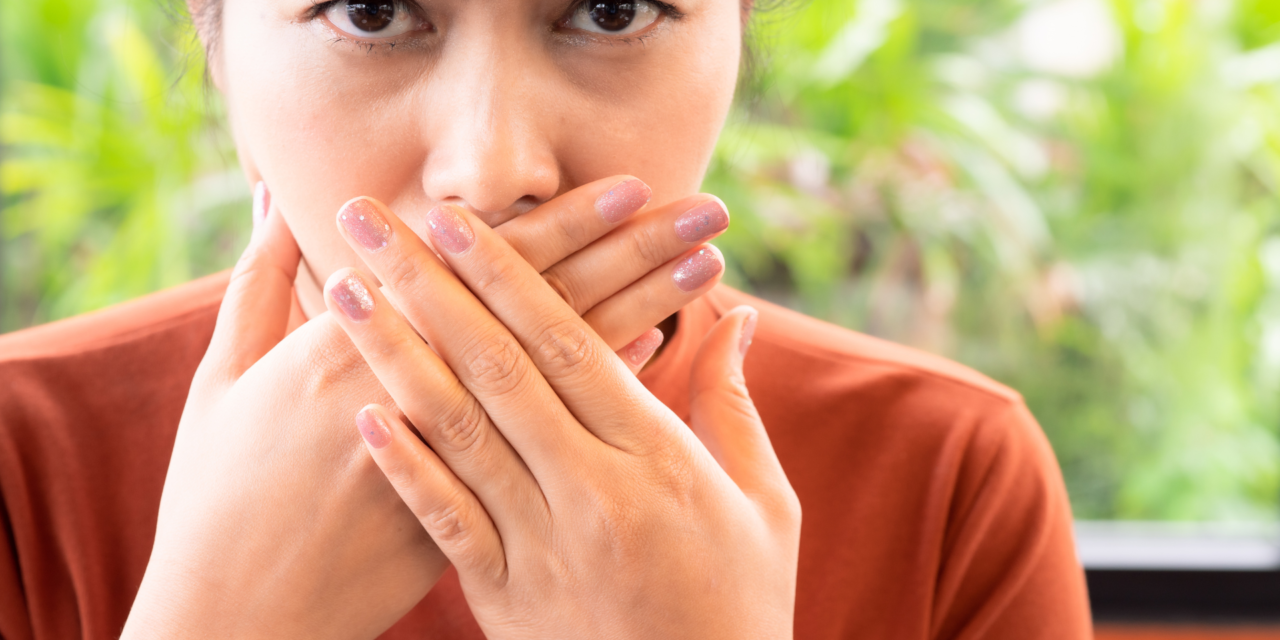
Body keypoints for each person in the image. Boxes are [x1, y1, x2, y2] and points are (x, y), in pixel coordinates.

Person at [0, 0, 1092, 637]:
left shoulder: (946, 475)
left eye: (609, 8)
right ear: (220, 45)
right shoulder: (20, 460)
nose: (491, 168)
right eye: (371, 11)